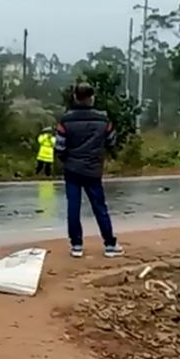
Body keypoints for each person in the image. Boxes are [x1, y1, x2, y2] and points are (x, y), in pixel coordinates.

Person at [55, 82, 122, 258]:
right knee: (100, 207)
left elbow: (59, 147)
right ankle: (109, 245)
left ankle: (76, 245)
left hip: (72, 169)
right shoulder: (103, 119)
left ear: (75, 97)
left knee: (73, 207)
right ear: (92, 98)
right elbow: (112, 142)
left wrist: (66, 159)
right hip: (93, 169)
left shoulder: (66, 120)